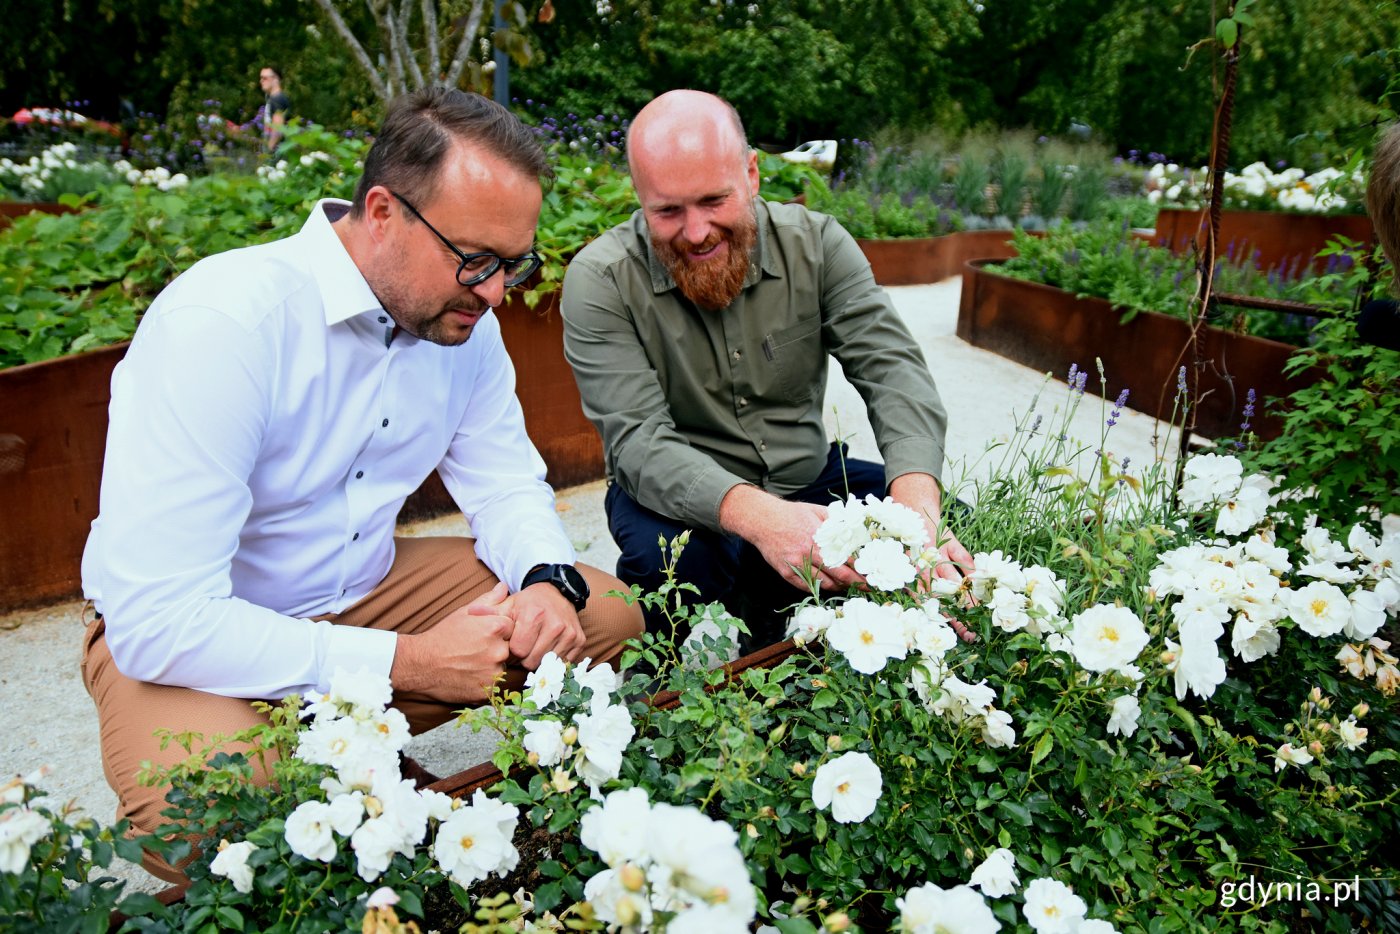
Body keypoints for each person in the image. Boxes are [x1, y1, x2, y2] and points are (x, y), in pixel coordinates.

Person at [80, 87, 643, 881]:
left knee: (600, 615)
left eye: (513, 264)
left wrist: (545, 580)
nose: (494, 294)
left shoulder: (461, 321)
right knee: (215, 811)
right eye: (475, 259)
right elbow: (161, 620)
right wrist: (405, 663)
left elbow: (506, 483)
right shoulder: (226, 322)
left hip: (357, 589)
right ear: (382, 212)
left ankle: (381, 778)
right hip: (194, 637)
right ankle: (256, 749)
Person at [561, 89, 972, 645]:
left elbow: (893, 370)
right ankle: (659, 694)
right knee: (678, 568)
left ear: (751, 174)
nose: (697, 230)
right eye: (667, 211)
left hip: (808, 477)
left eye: (714, 199)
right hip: (678, 501)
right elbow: (637, 441)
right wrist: (765, 520)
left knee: (959, 529)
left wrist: (916, 506)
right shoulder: (601, 280)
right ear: (639, 198)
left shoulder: (820, 245)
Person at [259, 65, 291, 152]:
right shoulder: (274, 99)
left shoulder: (277, 99)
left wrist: (269, 150)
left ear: (275, 79)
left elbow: (278, 128)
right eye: (261, 78)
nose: (261, 81)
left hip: (278, 152)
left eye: (265, 78)